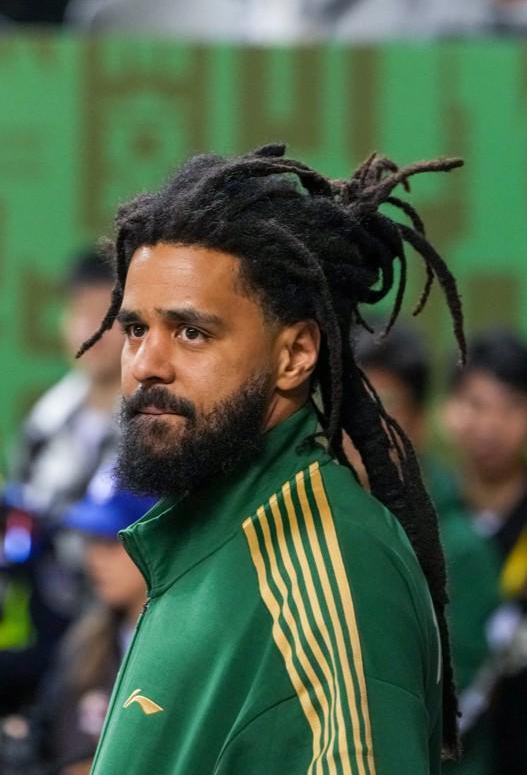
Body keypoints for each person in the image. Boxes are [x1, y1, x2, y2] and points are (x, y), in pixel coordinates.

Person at [78, 144, 465, 773]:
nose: (147, 365)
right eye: (136, 330)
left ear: (295, 355)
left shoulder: (334, 574)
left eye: (192, 332)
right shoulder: (210, 534)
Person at [354, 322, 500, 775]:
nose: (358, 425)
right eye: (348, 403)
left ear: (416, 419)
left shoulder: (459, 547)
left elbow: (452, 704)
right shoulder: (323, 518)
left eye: (382, 403)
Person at [0, 250, 123, 715]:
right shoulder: (46, 421)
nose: (90, 330)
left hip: (118, 632)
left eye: (105, 316)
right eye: (79, 313)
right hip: (43, 625)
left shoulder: (156, 421)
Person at [443, 328, 527, 774]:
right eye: (476, 404)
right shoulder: (426, 512)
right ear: (448, 410)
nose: (491, 426)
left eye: (511, 407)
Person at [35, 465, 154, 775]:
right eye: (91, 540)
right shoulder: (86, 641)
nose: (94, 558)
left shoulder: (188, 640)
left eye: (112, 542)